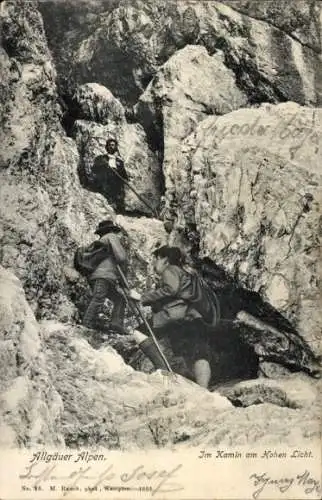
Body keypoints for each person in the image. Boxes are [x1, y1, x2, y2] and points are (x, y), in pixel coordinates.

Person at [130, 246, 213, 389]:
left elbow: (171, 290)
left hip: (176, 317)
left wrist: (141, 297)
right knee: (198, 354)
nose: (153, 263)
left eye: (155, 259)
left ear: (164, 260)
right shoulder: (186, 273)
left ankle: (164, 371)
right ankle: (203, 391)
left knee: (139, 333)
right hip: (194, 317)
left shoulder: (170, 270)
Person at [83, 220, 128, 334]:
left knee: (119, 298)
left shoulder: (101, 241)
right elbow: (121, 257)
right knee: (98, 298)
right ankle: (86, 325)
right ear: (112, 230)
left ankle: (115, 324)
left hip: (98, 276)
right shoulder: (111, 237)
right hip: (103, 276)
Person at [92, 138, 129, 212]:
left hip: (116, 181)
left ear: (115, 147)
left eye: (113, 145)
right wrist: (103, 164)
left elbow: (123, 173)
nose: (111, 147)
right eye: (109, 145)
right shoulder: (101, 158)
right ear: (106, 147)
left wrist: (126, 179)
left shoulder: (119, 161)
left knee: (118, 196)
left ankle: (118, 210)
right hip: (105, 180)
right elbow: (94, 169)